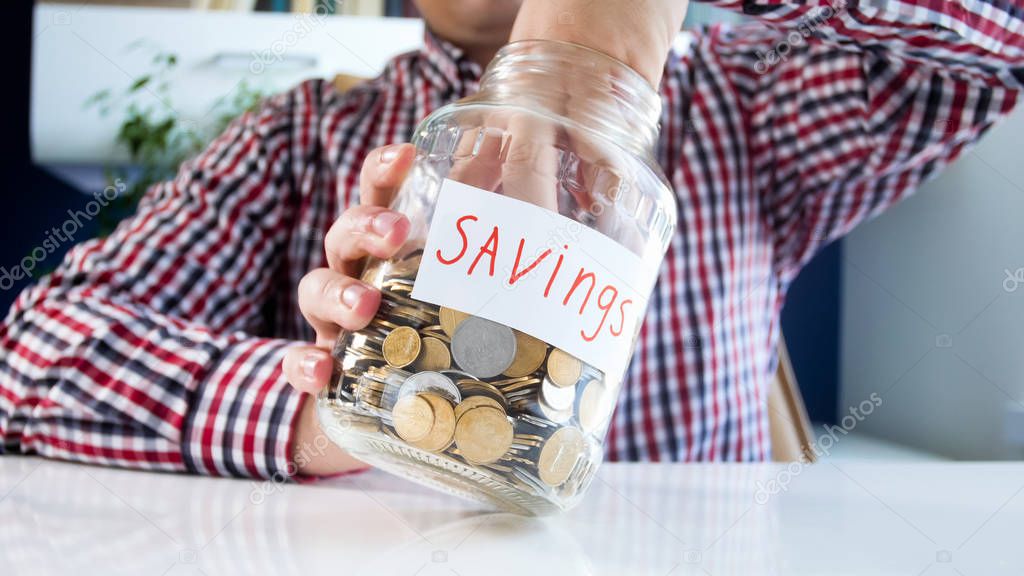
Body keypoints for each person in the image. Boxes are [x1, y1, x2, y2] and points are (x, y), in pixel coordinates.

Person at [1, 0, 1020, 479]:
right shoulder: (301, 131)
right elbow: (34, 351)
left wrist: (610, 32)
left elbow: (996, 47)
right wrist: (329, 409)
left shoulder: (746, 95)